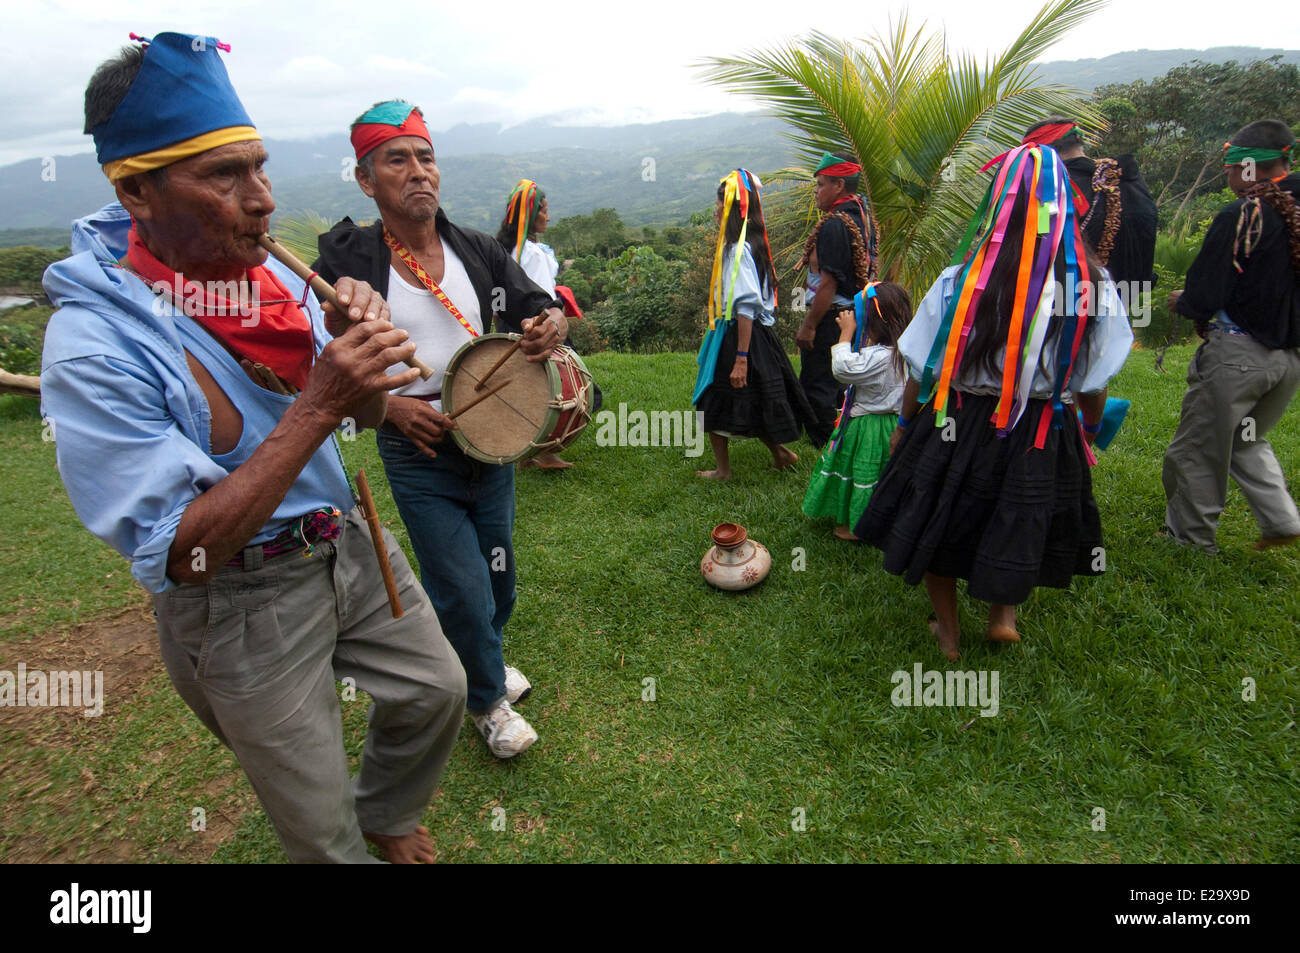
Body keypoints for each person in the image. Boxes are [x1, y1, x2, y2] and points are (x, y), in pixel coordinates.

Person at [40, 34, 466, 863]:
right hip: (236, 595)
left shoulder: (267, 279)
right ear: (137, 192)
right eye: (225, 177)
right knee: (315, 824)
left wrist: (359, 355)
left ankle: (385, 809)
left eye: (260, 167)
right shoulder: (93, 348)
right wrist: (316, 406)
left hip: (346, 538)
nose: (263, 200)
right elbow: (180, 553)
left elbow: (372, 415)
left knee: (438, 690)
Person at [314, 101, 569, 759]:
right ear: (367, 180)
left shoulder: (476, 250)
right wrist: (395, 408)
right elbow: (333, 348)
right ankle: (486, 701)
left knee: (498, 572)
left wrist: (550, 326)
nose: (417, 171)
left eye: (425, 157)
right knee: (458, 578)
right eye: (396, 159)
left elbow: (538, 307)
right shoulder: (354, 258)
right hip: (415, 445)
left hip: (490, 438)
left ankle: (481, 656)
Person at [856, 142, 1134, 660]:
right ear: (1062, 206)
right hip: (1041, 428)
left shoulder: (960, 282)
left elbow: (921, 365)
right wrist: (1089, 428)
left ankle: (949, 634)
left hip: (956, 423)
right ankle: (1001, 615)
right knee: (1017, 516)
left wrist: (905, 419)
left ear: (998, 204)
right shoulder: (1092, 287)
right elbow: (1094, 380)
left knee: (938, 520)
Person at [1162, 120, 1300, 554]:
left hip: (1238, 356)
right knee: (1246, 439)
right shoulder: (1293, 215)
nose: (1224, 175)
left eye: (1228, 167)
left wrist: (1183, 299)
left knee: (1197, 450)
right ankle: (1282, 520)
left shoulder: (1243, 216)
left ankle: (1190, 541)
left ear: (1246, 168)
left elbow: (1205, 293)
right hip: (1288, 361)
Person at [692, 169, 815, 479]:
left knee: (713, 395)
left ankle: (724, 470)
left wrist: (741, 358)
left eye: (719, 203)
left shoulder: (737, 251)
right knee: (756, 396)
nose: (716, 209)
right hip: (751, 334)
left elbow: (746, 306)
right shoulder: (754, 245)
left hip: (739, 334)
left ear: (731, 208)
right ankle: (782, 453)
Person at [801, 281, 911, 539]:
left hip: (869, 427)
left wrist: (845, 335)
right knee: (881, 474)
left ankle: (859, 527)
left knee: (863, 472)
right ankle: (886, 520)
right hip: (893, 424)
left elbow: (843, 369)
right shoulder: (903, 351)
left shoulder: (880, 356)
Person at [494, 178, 589, 469]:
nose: (548, 216)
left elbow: (496, 301)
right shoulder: (533, 254)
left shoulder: (502, 251)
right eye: (544, 211)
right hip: (536, 327)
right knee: (547, 390)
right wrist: (550, 327)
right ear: (531, 215)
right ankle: (545, 452)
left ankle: (526, 454)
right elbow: (542, 298)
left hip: (508, 327)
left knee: (521, 389)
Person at [796, 151, 880, 447]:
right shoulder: (863, 216)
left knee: (818, 381)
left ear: (839, 186)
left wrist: (809, 325)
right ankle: (841, 434)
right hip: (854, 315)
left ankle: (821, 443)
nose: (816, 192)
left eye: (820, 184)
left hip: (832, 316)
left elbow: (828, 283)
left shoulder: (835, 224)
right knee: (840, 380)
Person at [1021, 118, 1157, 293]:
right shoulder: (1131, 184)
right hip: (1122, 304)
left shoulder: (1051, 191)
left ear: (1041, 154)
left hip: (1067, 303)